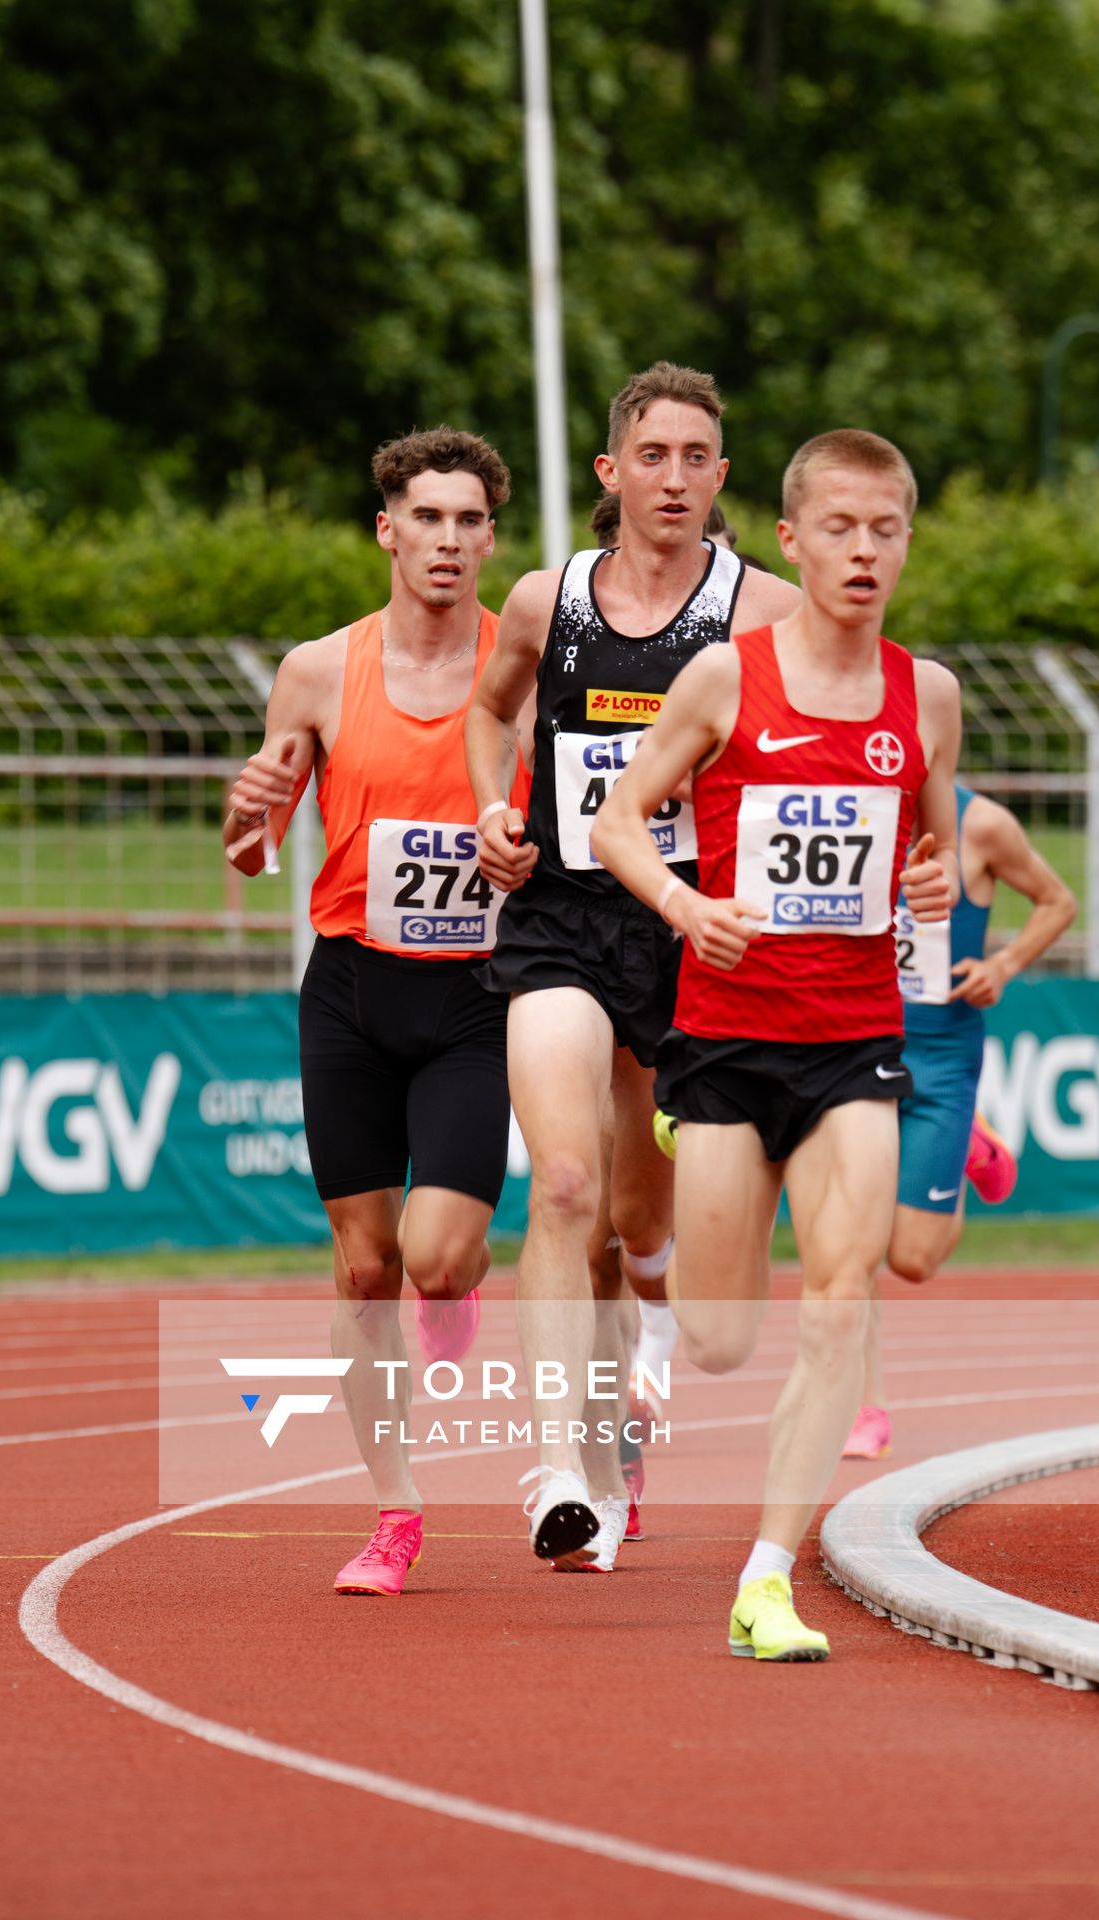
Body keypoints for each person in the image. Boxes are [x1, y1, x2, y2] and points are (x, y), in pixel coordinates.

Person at [592, 427, 962, 1658]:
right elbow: (615, 825)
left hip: (852, 1041)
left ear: (906, 540)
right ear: (791, 541)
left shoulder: (928, 695)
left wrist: (930, 874)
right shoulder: (720, 679)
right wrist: (685, 905)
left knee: (835, 1304)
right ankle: (672, 1147)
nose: (863, 552)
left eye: (885, 530)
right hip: (723, 1039)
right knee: (715, 1338)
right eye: (839, 530)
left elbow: (935, 838)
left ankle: (765, 1582)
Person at [466, 362, 801, 1573]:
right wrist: (487, 811)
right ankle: (558, 1467)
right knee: (560, 1186)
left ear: (720, 477)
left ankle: (650, 1319)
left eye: (693, 458)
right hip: (558, 917)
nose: (672, 478)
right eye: (648, 456)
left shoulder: (758, 611)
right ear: (611, 474)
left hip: (687, 933)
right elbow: (486, 707)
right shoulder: (542, 601)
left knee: (637, 1214)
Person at [226, 426, 520, 1598]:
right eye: (427, 518)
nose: (446, 541)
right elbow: (253, 849)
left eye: (469, 521)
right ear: (386, 530)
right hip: (349, 986)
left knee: (437, 1263)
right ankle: (395, 1513)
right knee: (362, 1271)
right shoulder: (315, 670)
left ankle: (455, 1297)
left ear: (490, 539)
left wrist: (521, 857)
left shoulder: (525, 665)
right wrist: (244, 813)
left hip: (477, 998)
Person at [843, 789, 1077, 1457]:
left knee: (912, 1260)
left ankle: (968, 1147)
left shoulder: (982, 824)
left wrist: (1003, 963)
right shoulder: (837, 798)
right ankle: (867, 1406)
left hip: (941, 1058)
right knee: (850, 1240)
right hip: (853, 1049)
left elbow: (1058, 901)